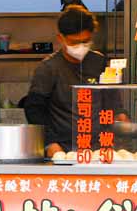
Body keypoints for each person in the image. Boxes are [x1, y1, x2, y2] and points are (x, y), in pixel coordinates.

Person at [25, 9, 105, 157]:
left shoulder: (99, 63)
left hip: (98, 150)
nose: (81, 47)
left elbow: (111, 101)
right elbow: (34, 110)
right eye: (74, 42)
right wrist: (50, 142)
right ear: (60, 38)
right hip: (63, 150)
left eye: (85, 41)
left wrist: (121, 116)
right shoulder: (48, 68)